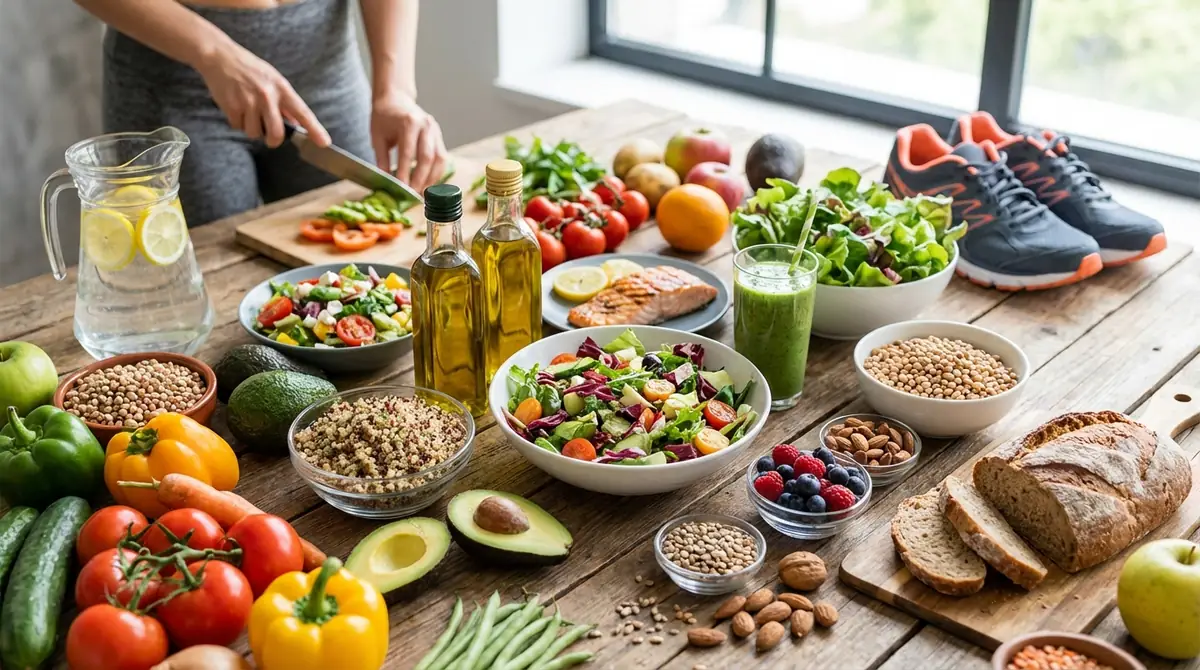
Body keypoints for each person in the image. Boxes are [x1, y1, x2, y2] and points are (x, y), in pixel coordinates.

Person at [75, 0, 448, 226]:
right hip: (173, 80)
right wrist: (213, 53)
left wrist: (394, 91)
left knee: (368, 261)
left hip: (326, 68)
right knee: (201, 278)